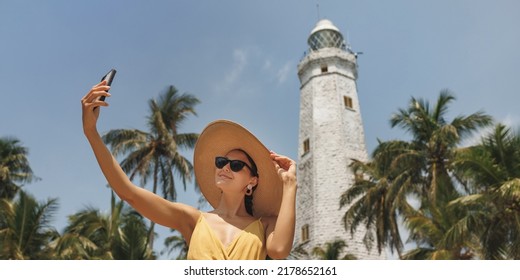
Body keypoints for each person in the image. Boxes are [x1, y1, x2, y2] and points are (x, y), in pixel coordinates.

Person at [81, 80, 297, 260]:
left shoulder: (266, 224)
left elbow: (278, 251)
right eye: (221, 161)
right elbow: (128, 193)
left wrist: (289, 184)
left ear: (252, 181)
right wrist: (91, 132)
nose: (225, 168)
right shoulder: (193, 220)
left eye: (237, 165)